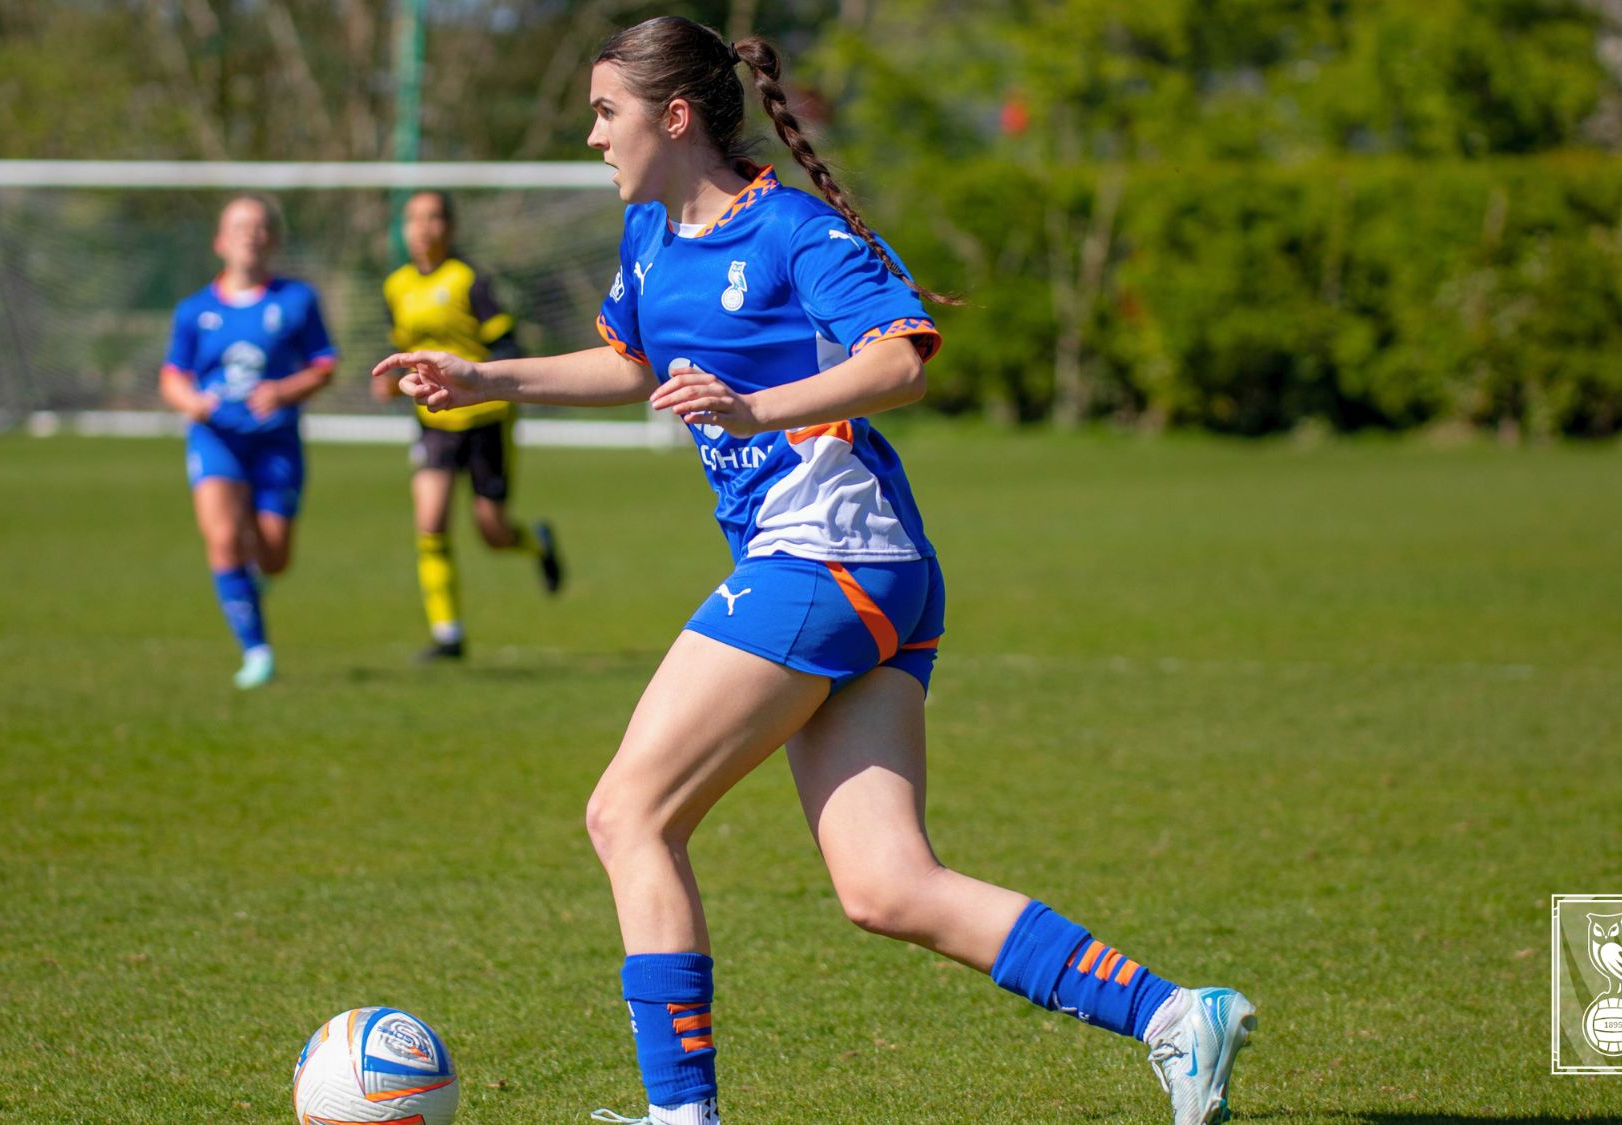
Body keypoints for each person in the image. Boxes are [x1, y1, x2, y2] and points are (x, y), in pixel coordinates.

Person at [374, 18, 1255, 1125]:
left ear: (674, 117)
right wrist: (479, 377)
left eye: (605, 113)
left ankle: (678, 1116)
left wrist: (757, 408)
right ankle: (1177, 1017)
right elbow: (629, 361)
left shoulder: (789, 231)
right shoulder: (649, 237)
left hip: (829, 555)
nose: (591, 136)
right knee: (886, 887)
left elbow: (898, 356)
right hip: (861, 573)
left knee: (627, 815)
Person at [373, 190, 563, 663]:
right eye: (413, 219)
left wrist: (481, 377)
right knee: (430, 521)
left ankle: (535, 545)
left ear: (450, 228)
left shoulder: (470, 281)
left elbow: (506, 345)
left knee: (492, 532)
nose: (422, 227)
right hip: (434, 422)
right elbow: (402, 349)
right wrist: (391, 382)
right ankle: (448, 635)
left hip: (484, 419)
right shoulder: (396, 286)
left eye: (433, 218)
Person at [159, 195, 336, 689]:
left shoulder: (297, 301)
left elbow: (324, 365)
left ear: (274, 240)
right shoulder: (195, 311)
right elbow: (172, 376)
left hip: (276, 442)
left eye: (260, 227)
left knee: (275, 555)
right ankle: (256, 651)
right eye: (239, 227)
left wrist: (283, 390)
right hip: (216, 439)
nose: (250, 235)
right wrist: (190, 402)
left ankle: (245, 585)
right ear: (219, 241)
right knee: (222, 537)